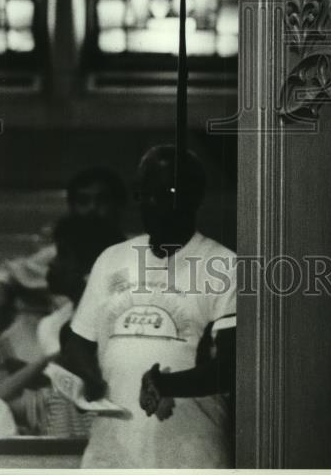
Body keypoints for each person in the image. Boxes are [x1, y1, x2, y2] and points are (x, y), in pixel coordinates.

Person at [61, 145, 236, 469]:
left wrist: (167, 385)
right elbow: (77, 343)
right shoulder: (112, 258)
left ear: (193, 198)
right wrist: (90, 377)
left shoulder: (224, 265)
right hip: (111, 456)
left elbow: (230, 369)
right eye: (145, 194)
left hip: (190, 456)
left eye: (166, 193)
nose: (153, 204)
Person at [0, 214, 123, 437]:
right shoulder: (54, 327)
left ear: (90, 270)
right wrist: (56, 356)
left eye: (63, 255)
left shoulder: (119, 329)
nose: (51, 263)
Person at [0, 167, 127, 340]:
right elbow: (8, 271)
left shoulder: (136, 256)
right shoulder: (59, 256)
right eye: (83, 201)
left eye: (102, 201)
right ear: (72, 208)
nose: (92, 209)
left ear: (118, 206)